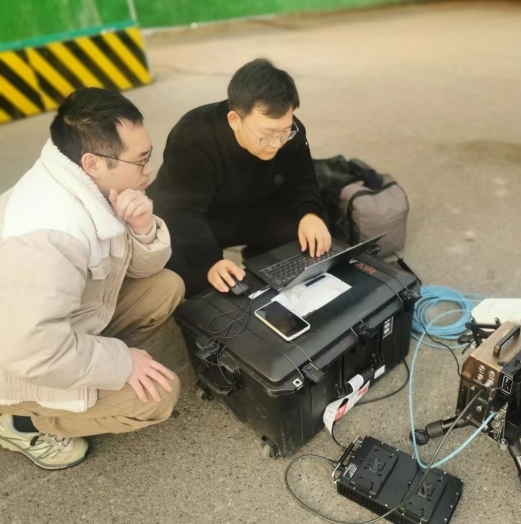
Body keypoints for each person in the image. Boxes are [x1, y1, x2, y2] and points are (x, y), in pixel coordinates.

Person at [0, 88, 184, 470]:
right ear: (93, 162)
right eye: (141, 160)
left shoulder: (84, 183)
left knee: (166, 287)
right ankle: (22, 421)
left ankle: (87, 374)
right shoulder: (50, 235)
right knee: (157, 396)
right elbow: (31, 351)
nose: (149, 169)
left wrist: (142, 227)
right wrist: (121, 363)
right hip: (18, 362)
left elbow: (139, 271)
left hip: (57, 329)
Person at [147, 58, 331, 298]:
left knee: (308, 235)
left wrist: (310, 214)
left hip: (253, 208)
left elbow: (302, 181)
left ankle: (264, 276)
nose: (277, 143)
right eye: (267, 134)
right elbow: (181, 212)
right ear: (235, 120)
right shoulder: (193, 136)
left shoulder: (292, 132)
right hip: (201, 216)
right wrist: (211, 261)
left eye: (285, 131)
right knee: (189, 273)